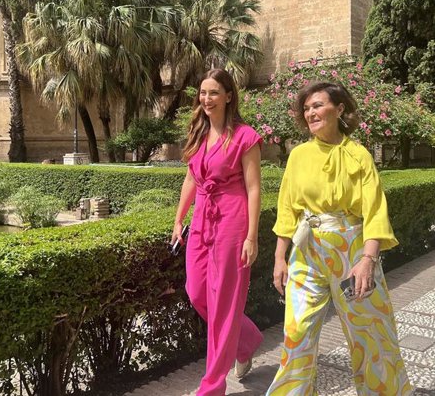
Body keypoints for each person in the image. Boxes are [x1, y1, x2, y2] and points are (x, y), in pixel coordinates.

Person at [267, 82, 412, 396]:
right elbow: (287, 210)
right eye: (306, 108)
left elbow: (374, 212)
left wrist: (367, 261)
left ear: (340, 109)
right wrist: (280, 258)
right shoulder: (298, 156)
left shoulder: (358, 156)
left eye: (318, 105)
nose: (311, 113)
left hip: (352, 253)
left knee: (370, 333)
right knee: (297, 332)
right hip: (306, 252)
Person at [171, 68, 264, 396]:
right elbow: (191, 179)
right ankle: (247, 340)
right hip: (202, 221)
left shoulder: (245, 136)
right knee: (196, 292)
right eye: (203, 93)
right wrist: (178, 219)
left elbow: (254, 189)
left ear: (228, 96)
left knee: (224, 304)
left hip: (232, 222)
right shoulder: (197, 134)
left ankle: (212, 387)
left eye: (213, 93)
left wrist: (252, 236)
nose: (206, 99)